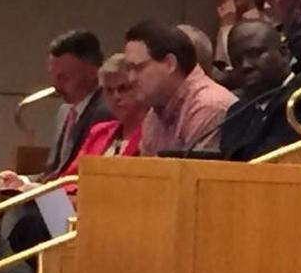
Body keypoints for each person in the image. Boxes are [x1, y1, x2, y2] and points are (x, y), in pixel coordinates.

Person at [219, 21, 301, 161]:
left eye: (255, 54)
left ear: (284, 54)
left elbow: (269, 160)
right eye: (237, 60)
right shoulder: (236, 112)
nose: (245, 65)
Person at [124, 20, 237, 155]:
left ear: (169, 64)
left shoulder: (209, 106)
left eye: (138, 67)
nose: (131, 78)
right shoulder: (153, 115)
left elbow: (194, 169)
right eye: (128, 69)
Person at [59, 54, 145, 181]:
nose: (116, 97)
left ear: (140, 89)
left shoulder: (153, 135)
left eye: (123, 88)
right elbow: (69, 179)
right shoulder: (99, 132)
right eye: (109, 90)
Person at [39, 30, 112, 180]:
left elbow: (83, 177)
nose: (56, 86)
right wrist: (23, 181)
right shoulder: (64, 111)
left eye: (64, 78)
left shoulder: (107, 111)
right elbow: (54, 171)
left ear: (93, 73)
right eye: (53, 77)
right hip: (58, 190)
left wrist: (37, 189)